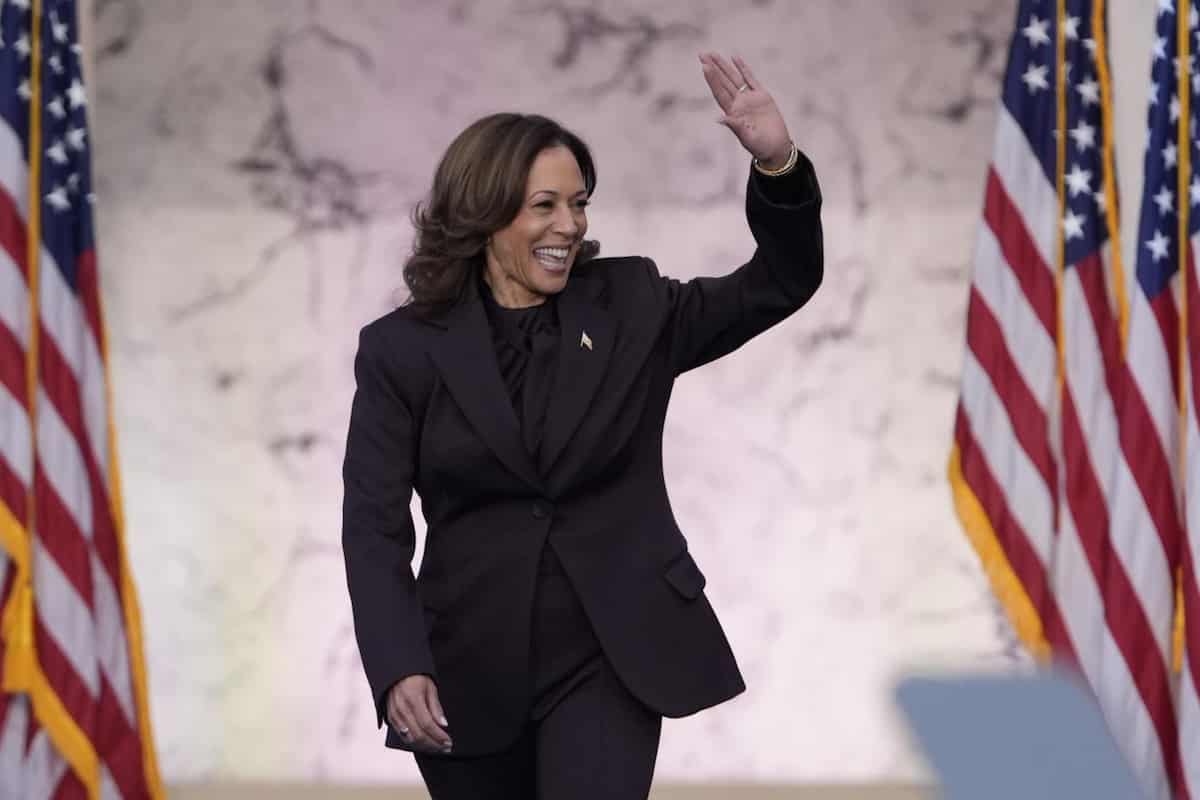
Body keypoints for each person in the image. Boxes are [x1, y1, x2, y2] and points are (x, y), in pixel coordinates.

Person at [342, 52, 823, 799]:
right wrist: (397, 664)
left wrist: (779, 165)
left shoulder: (632, 305)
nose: (569, 225)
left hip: (610, 657)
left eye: (580, 203)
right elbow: (373, 526)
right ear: (486, 214)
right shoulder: (402, 350)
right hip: (467, 668)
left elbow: (779, 283)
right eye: (545, 205)